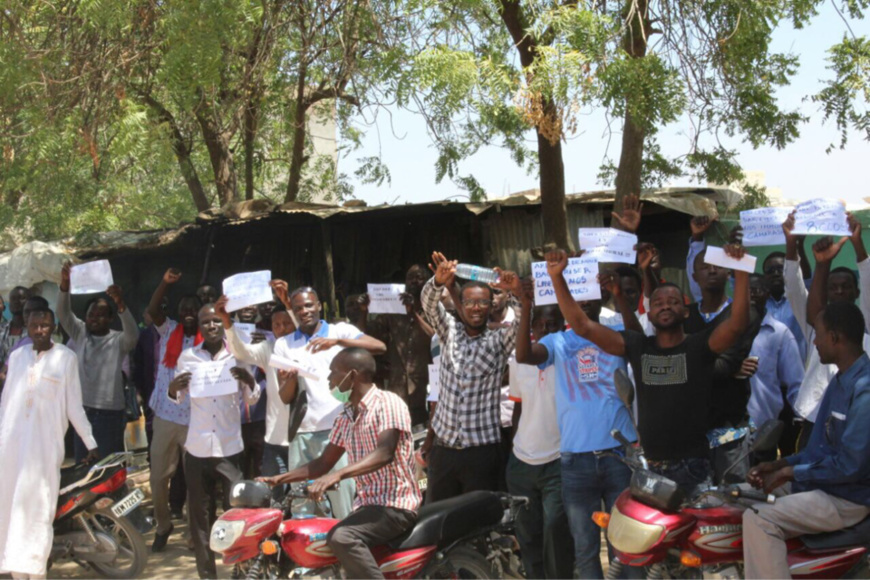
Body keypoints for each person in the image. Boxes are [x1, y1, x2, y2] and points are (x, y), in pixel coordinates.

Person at [545, 244, 751, 492]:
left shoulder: (700, 346)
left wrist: (740, 272)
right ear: (649, 315)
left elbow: (738, 324)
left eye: (673, 302)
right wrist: (557, 277)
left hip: (693, 466)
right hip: (649, 467)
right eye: (658, 303)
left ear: (686, 312)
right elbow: (583, 326)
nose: (665, 306)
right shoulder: (638, 346)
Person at [260, 348, 420, 580]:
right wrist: (279, 479)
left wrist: (338, 475)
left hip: (395, 505)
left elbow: (384, 453)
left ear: (352, 376)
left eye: (333, 372)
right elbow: (323, 463)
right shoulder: (346, 415)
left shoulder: (387, 403)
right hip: (366, 505)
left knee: (342, 537)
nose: (329, 379)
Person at [743, 301, 870, 579]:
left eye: (819, 334)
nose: (815, 342)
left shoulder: (864, 389)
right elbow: (816, 451)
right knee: (735, 498)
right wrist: (779, 465)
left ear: (835, 337)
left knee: (758, 518)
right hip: (821, 485)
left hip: (846, 499)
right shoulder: (838, 382)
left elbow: (850, 465)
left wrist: (789, 471)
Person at [0, 307, 98, 579]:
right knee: (11, 510)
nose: (40, 330)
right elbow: (6, 403)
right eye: (35, 325)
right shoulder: (17, 357)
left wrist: (90, 441)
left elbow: (74, 406)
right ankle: (19, 574)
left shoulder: (66, 358)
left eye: (45, 325)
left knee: (40, 511)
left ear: (54, 326)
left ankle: (37, 571)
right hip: (11, 451)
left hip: (45, 450)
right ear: (28, 326)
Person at [273, 286, 386, 518]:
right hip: (302, 434)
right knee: (302, 506)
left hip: (339, 432)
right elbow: (285, 397)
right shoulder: (284, 345)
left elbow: (380, 347)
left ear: (319, 305)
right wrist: (291, 379)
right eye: (298, 308)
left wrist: (337, 342)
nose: (304, 311)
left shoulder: (340, 330)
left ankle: (344, 549)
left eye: (308, 305)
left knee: (342, 502)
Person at [419, 252, 521, 501]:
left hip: (482, 451)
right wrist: (437, 281)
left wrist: (514, 290)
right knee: (439, 520)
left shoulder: (499, 340)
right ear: (460, 306)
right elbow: (429, 305)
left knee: (478, 521)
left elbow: (522, 321)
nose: (476, 308)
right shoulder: (449, 332)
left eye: (483, 303)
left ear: (491, 306)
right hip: (444, 450)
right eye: (470, 303)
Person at [169, 304, 261, 579]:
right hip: (197, 449)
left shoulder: (238, 355)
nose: (211, 326)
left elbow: (252, 398)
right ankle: (207, 573)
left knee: (239, 513)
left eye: (216, 321)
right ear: (199, 325)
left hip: (229, 448)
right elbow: (177, 396)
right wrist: (173, 389)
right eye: (206, 322)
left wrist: (249, 381)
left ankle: (241, 570)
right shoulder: (187, 357)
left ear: (224, 325)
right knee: (200, 517)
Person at [784, 214, 870, 451]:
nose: (840, 291)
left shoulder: (866, 325)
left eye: (846, 287)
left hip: (857, 421)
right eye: (833, 287)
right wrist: (792, 244)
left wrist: (858, 247)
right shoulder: (817, 326)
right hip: (814, 419)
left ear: (856, 291)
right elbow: (793, 289)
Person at [509, 287, 573, 579]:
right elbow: (519, 409)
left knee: (555, 533)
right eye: (541, 324)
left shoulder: (568, 356)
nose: (547, 329)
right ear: (531, 327)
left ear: (563, 326)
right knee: (528, 536)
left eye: (554, 324)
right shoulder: (516, 360)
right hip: (522, 462)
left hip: (558, 461)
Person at [684, 240, 761, 483]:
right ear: (694, 276)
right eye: (705, 266)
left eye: (718, 265)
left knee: (732, 504)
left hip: (730, 431)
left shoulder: (744, 314)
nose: (713, 270)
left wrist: (682, 365)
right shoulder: (685, 317)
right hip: (691, 431)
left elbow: (725, 365)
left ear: (729, 272)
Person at [216, 289, 298, 498]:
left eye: (286, 324)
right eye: (276, 325)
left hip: (303, 438)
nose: (281, 329)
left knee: (302, 496)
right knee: (274, 495)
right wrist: (226, 321)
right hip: (275, 438)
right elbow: (241, 352)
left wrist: (288, 302)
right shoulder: (268, 347)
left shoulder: (308, 347)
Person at [57, 263, 139, 460]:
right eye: (91, 315)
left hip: (110, 414)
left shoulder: (118, 339)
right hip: (82, 412)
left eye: (101, 315)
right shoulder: (80, 333)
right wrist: (65, 285)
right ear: (85, 318)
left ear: (111, 318)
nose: (95, 319)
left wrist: (120, 304)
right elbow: (63, 313)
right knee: (83, 469)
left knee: (108, 468)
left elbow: (134, 335)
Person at [146, 268, 202, 552]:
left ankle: (193, 534)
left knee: (194, 482)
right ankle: (163, 524)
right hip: (166, 417)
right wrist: (164, 283)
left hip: (197, 420)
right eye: (184, 309)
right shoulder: (169, 330)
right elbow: (152, 309)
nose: (189, 313)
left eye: (194, 309)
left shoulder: (212, 339)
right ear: (178, 313)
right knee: (158, 478)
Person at [746, 274, 805, 461]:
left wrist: (806, 422)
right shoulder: (724, 330)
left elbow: (796, 383)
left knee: (758, 487)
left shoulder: (780, 333)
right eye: (748, 290)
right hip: (726, 435)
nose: (752, 295)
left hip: (763, 433)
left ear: (767, 294)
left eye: (758, 289)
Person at [368, 265, 436, 426]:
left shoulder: (434, 309)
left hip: (427, 382)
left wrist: (412, 313)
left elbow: (435, 338)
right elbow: (372, 336)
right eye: (410, 278)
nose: (414, 281)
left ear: (427, 282)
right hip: (398, 385)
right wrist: (365, 310)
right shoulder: (393, 311)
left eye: (419, 277)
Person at [0, 286, 31, 367]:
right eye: (13, 299)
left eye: (21, 298)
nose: (16, 302)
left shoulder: (34, 332)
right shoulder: (1, 329)